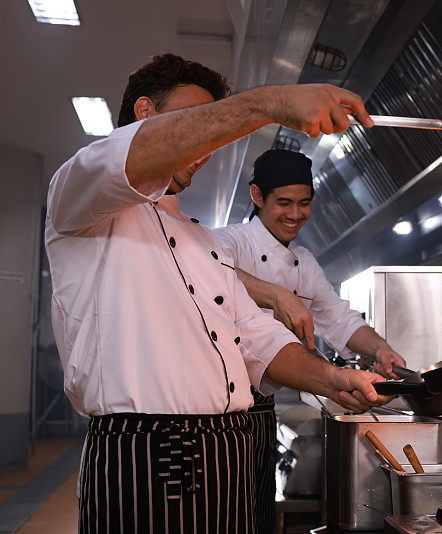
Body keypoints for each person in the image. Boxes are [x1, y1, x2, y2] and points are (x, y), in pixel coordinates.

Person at [45, 53, 389, 533]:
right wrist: (270, 103)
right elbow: (132, 156)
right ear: (144, 114)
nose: (207, 146)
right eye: (196, 122)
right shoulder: (81, 196)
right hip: (147, 455)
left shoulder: (203, 241)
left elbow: (254, 338)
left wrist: (332, 379)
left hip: (229, 451)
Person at [212, 149, 407, 531]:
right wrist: (275, 294)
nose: (295, 214)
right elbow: (210, 271)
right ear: (256, 197)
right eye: (283, 202)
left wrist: (380, 349)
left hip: (262, 410)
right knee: (227, 518)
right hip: (219, 413)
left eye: (304, 203)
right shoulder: (228, 242)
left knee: (257, 516)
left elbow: (339, 319)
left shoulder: (304, 262)